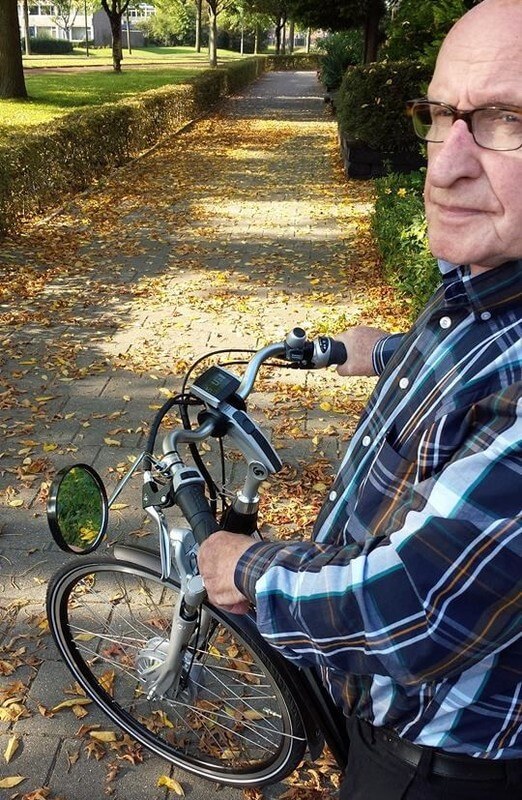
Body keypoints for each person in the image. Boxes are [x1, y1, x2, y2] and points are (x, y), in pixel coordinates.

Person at [198, 1, 522, 797]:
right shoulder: (490, 282)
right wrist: (387, 352)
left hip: (436, 770)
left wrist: (251, 571)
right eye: (442, 113)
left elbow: (410, 610)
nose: (442, 167)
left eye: (505, 119)